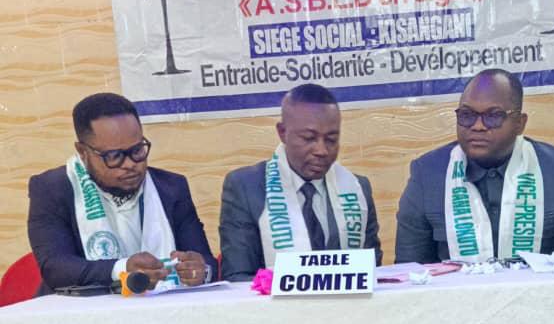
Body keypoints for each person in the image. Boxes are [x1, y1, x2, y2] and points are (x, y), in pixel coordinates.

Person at [395, 68, 554, 263]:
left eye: (493, 116)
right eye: (467, 115)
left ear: (519, 123)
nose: (477, 126)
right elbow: (410, 270)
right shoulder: (427, 174)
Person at [27, 93, 217, 294]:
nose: (130, 164)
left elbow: (206, 262)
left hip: (166, 307)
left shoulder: (172, 187)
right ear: (83, 152)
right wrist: (122, 269)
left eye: (137, 150)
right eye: (114, 156)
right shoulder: (52, 189)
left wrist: (201, 270)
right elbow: (56, 268)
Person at [219, 84, 382, 280]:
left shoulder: (358, 189)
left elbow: (371, 271)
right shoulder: (245, 188)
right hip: (274, 300)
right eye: (309, 138)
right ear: (282, 132)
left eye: (331, 139)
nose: (322, 150)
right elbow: (237, 278)